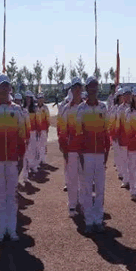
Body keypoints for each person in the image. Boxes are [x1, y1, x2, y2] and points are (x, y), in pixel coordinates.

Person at [0, 74, 26, 243]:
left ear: (10, 88)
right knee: (0, 196)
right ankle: (1, 230)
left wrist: (21, 158)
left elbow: (22, 137)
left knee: (12, 195)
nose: (4, 88)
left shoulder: (17, 110)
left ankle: (12, 229)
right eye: (1, 86)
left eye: (7, 86)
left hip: (13, 159)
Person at [76, 77, 110, 233]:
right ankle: (89, 220)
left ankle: (99, 218)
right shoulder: (81, 110)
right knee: (87, 187)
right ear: (87, 89)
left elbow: (106, 133)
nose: (93, 90)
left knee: (101, 188)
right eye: (91, 87)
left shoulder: (103, 107)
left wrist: (106, 153)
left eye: (95, 87)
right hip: (87, 154)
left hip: (100, 153)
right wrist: (81, 155)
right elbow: (78, 135)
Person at [58, 78, 84, 217]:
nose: (77, 90)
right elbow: (62, 131)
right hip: (72, 149)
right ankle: (72, 205)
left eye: (79, 88)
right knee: (72, 178)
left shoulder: (86, 107)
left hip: (85, 150)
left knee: (84, 178)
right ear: (71, 90)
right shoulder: (66, 109)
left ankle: (82, 202)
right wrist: (64, 149)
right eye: (75, 88)